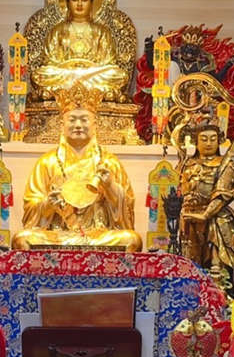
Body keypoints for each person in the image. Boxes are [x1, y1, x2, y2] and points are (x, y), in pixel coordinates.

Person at [12, 98, 141, 250]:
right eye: (72, 120)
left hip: (98, 234)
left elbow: (127, 208)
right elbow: (31, 206)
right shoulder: (47, 162)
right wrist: (48, 204)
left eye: (84, 120)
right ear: (62, 125)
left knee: (132, 240)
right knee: (22, 239)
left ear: (95, 125)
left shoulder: (108, 162)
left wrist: (110, 187)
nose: (78, 125)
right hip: (58, 234)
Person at [32, 0, 129, 102]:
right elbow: (49, 62)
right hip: (65, 74)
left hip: (92, 74)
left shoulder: (102, 32)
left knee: (119, 75)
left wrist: (87, 71)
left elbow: (109, 63)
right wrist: (71, 70)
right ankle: (100, 92)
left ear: (92, 3)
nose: (79, 4)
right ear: (67, 3)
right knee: (39, 74)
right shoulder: (57, 31)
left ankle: (57, 91)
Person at [177, 124, 234, 277]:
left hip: (215, 216)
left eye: (213, 139)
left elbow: (221, 195)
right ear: (195, 142)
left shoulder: (227, 165)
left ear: (219, 141)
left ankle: (219, 281)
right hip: (189, 217)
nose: (208, 143)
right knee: (189, 260)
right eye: (204, 139)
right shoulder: (186, 164)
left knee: (216, 262)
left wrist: (205, 215)